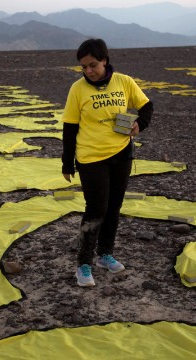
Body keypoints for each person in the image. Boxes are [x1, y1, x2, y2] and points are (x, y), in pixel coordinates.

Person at [61, 39, 154, 287]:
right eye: (84, 67)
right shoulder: (77, 89)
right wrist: (67, 163)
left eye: (93, 65)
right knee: (96, 209)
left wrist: (139, 124)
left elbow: (146, 106)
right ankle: (83, 264)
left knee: (114, 207)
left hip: (121, 154)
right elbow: (69, 128)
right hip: (91, 158)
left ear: (105, 60)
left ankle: (105, 254)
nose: (88, 71)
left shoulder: (124, 82)